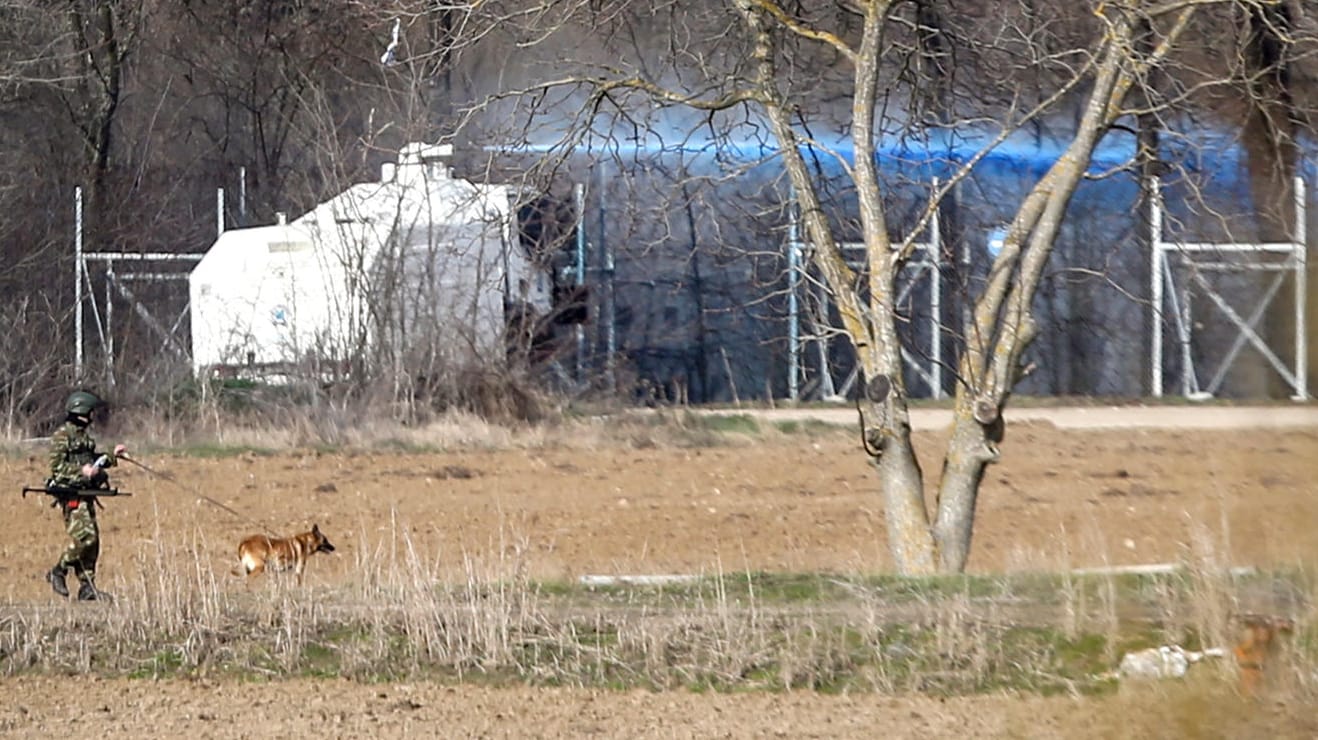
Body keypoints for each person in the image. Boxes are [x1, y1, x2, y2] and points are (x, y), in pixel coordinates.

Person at [45, 390, 127, 601]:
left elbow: (93, 460)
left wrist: (111, 455)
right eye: (91, 412)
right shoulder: (62, 437)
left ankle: (87, 586)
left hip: (86, 493)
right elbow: (57, 467)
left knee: (94, 542)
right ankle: (58, 570)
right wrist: (81, 471)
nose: (92, 416)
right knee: (85, 538)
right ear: (82, 412)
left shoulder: (84, 438)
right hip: (71, 494)